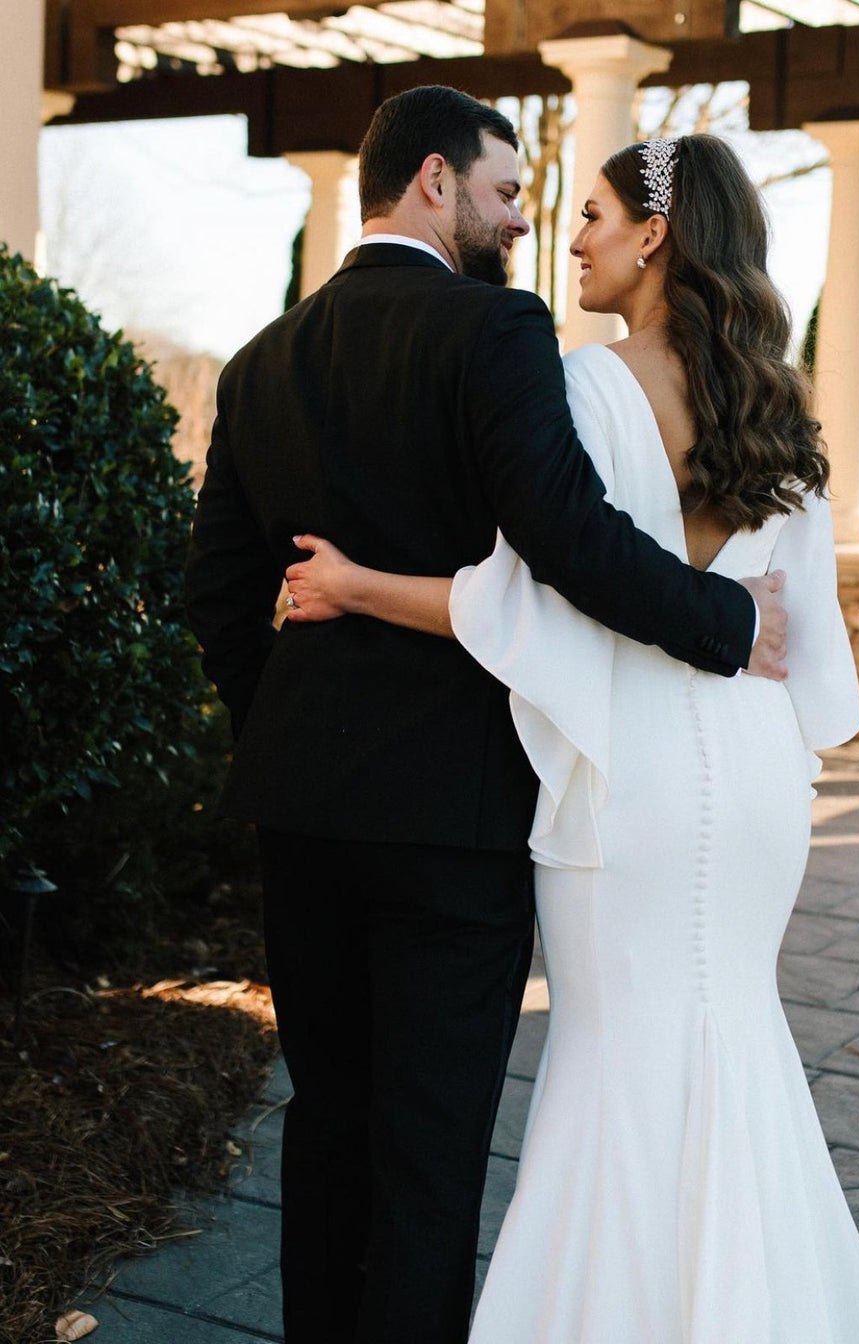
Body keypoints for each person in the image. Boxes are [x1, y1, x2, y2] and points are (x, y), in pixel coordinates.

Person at [185, 89, 791, 1344]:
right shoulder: (494, 332)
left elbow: (220, 594)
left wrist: (287, 728)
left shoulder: (260, 363)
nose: (525, 223)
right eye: (508, 192)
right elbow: (567, 540)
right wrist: (728, 625)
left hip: (301, 809)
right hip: (452, 811)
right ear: (431, 184)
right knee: (430, 1142)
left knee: (328, 1118)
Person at [283, 134, 859, 1343]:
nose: (568, 239)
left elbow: (522, 598)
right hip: (765, 781)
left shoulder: (584, 385)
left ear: (656, 234)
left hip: (635, 785)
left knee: (612, 1069)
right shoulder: (781, 402)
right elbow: (820, 672)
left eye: (594, 216)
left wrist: (356, 585)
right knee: (736, 1047)